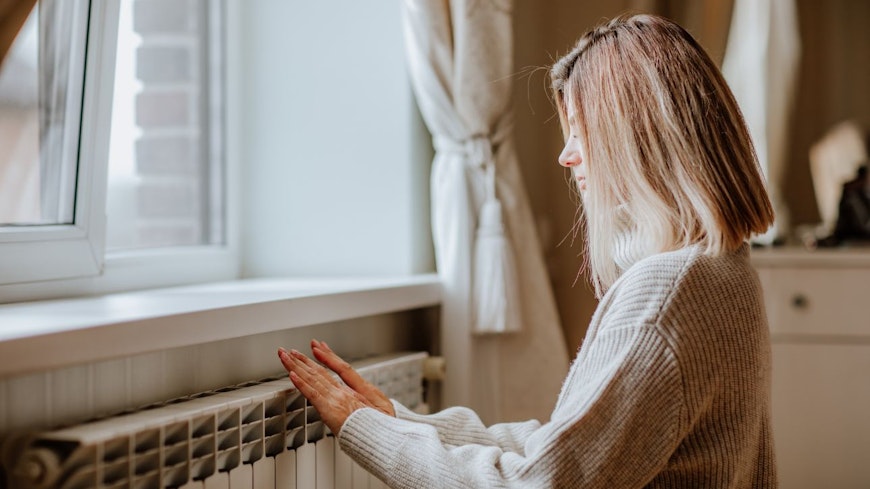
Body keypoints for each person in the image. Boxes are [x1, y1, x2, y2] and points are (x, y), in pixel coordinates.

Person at [278, 13, 777, 488]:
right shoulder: (724, 269)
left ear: (637, 135)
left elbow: (540, 481)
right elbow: (568, 448)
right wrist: (396, 420)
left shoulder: (665, 295)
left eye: (579, 131)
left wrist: (365, 430)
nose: (566, 155)